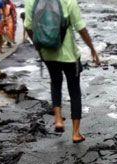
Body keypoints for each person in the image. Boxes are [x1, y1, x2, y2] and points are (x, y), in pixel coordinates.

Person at [25, 0, 100, 144]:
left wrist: (38, 45)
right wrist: (92, 49)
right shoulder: (68, 1)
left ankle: (58, 119)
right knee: (74, 91)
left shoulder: (31, 1)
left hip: (47, 53)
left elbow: (28, 26)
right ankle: (76, 133)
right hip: (69, 55)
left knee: (55, 83)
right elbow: (81, 28)